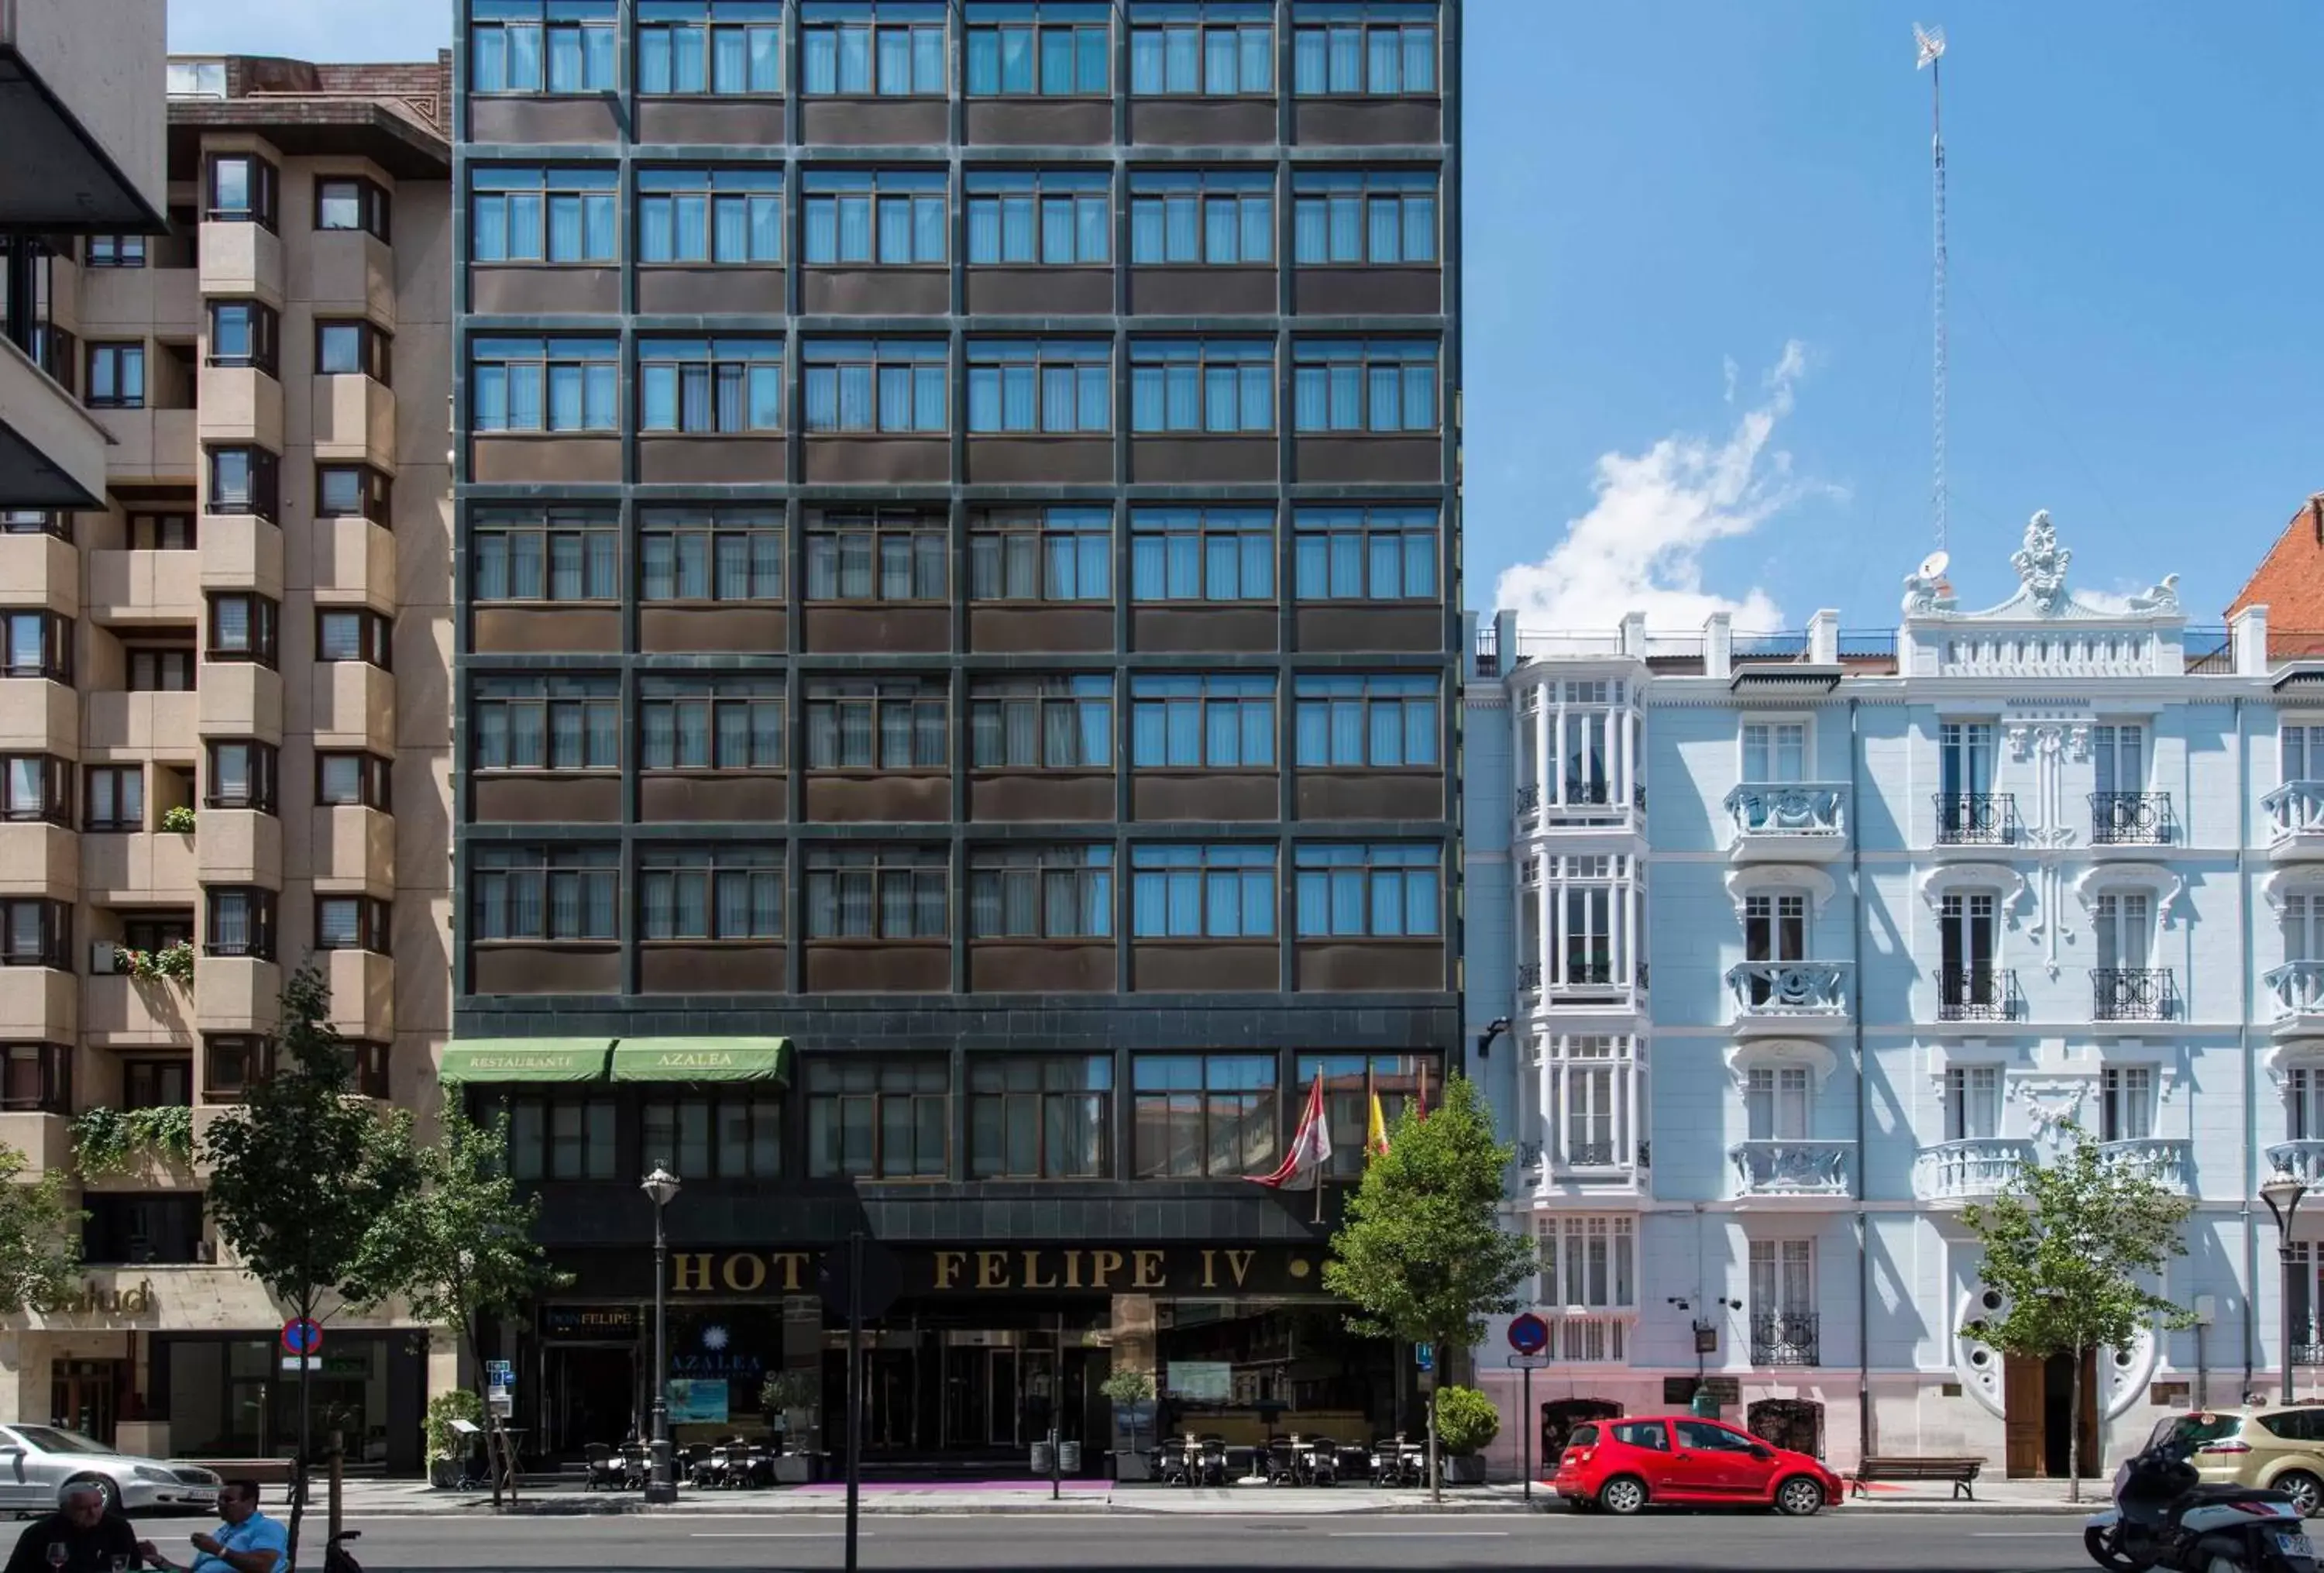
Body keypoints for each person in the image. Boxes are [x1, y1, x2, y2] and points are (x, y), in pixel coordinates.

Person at [135, 1482, 285, 1573]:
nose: (221, 1504)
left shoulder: (268, 1527)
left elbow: (263, 1567)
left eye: (228, 1500)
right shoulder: (222, 1532)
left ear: (250, 1503)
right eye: (219, 1499)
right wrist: (159, 1561)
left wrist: (218, 1551)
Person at [2, 1481, 141, 1573]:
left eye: (97, 1506)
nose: (92, 1513)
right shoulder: (39, 1533)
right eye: (83, 1508)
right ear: (65, 1509)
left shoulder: (118, 1528)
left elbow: (133, 1567)